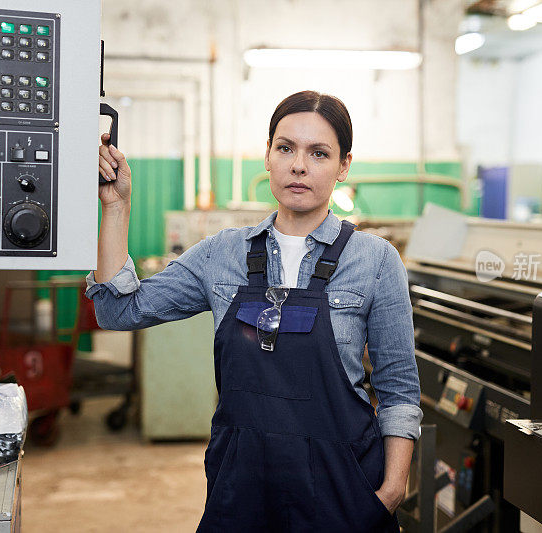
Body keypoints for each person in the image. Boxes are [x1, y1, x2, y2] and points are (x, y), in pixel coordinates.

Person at [88, 90, 422, 532]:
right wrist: (116, 206)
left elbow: (398, 389)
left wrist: (391, 492)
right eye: (286, 148)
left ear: (343, 166)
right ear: (267, 156)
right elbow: (118, 312)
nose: (299, 165)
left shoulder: (376, 261)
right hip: (241, 490)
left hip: (344, 491)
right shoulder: (222, 254)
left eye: (318, 153)